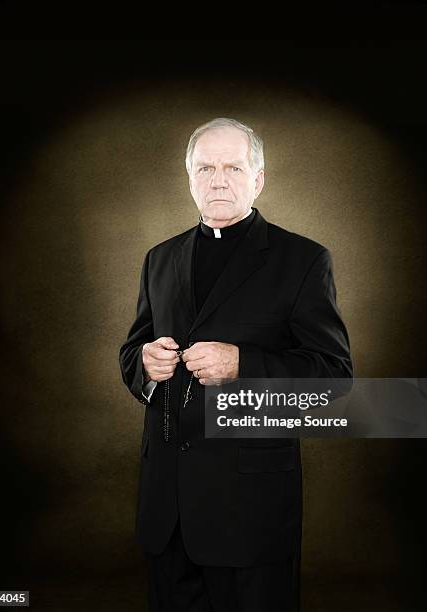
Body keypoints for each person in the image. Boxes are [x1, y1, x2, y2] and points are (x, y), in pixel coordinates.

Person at [119, 117, 352, 611]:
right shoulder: (158, 259)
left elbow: (334, 381)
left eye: (232, 167)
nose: (218, 179)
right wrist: (144, 365)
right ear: (189, 179)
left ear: (258, 179)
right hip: (168, 510)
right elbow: (132, 353)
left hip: (250, 511)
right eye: (204, 168)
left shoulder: (304, 259)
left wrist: (242, 364)